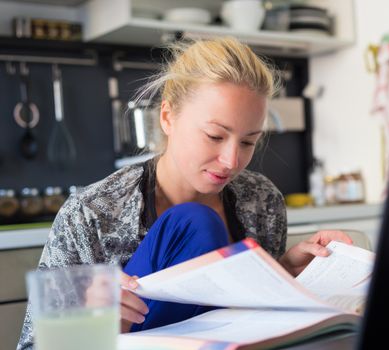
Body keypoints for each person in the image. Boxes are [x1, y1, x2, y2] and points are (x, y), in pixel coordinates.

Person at [17, 37, 352, 349]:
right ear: (167, 117)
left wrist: (285, 272)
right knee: (193, 223)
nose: (231, 161)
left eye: (248, 141)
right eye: (214, 136)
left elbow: (254, 323)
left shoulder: (262, 201)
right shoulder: (92, 213)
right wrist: (92, 323)